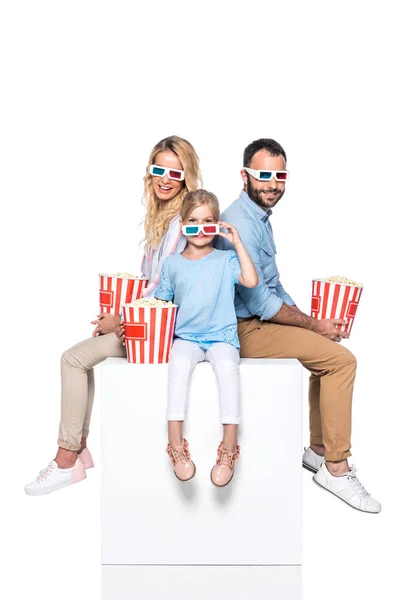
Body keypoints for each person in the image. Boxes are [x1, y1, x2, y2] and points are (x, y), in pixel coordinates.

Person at [25, 135, 202, 496]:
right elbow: (149, 282)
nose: (165, 179)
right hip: (155, 321)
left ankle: (66, 458)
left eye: (175, 172)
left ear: (187, 175)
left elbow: (163, 288)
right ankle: (78, 449)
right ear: (149, 172)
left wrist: (120, 321)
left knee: (73, 359)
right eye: (158, 170)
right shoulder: (163, 217)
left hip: (169, 330)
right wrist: (118, 314)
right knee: (82, 357)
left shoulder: (180, 221)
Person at [216, 138, 381, 512]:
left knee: (329, 354)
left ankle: (318, 451)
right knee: (342, 361)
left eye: (280, 175)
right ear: (244, 176)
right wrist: (313, 325)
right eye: (264, 175)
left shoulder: (257, 216)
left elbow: (275, 285)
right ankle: (336, 468)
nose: (273, 184)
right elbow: (260, 302)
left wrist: (310, 324)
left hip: (259, 319)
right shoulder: (241, 221)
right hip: (244, 330)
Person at [154, 189, 258, 487]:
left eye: (208, 222)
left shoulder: (226, 259)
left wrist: (236, 242)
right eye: (193, 222)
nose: (200, 230)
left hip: (222, 336)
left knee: (228, 371)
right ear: (182, 223)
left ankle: (228, 449)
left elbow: (251, 280)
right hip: (185, 337)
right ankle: (176, 446)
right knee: (177, 368)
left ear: (218, 225)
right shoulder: (172, 264)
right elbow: (161, 305)